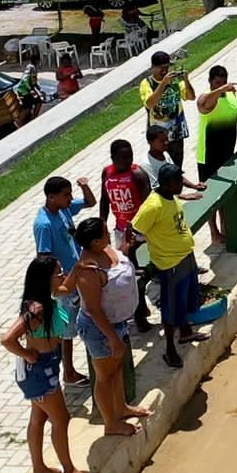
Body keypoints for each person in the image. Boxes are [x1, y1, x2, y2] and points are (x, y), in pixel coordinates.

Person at [1, 255, 98, 473]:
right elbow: (7, 339)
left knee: (39, 417)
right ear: (47, 278)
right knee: (61, 419)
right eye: (59, 272)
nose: (62, 275)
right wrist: (27, 353)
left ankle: (40, 471)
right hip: (40, 372)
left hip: (45, 368)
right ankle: (69, 472)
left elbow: (66, 287)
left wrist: (76, 268)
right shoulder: (37, 308)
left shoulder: (50, 295)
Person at [65, 216, 149, 437]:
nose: (109, 233)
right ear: (94, 242)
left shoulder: (107, 250)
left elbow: (117, 268)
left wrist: (126, 248)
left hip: (118, 323)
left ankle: (121, 407)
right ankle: (111, 423)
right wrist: (112, 338)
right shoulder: (88, 270)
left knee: (117, 369)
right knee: (105, 377)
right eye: (104, 232)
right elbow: (93, 308)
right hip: (100, 330)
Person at [132, 162, 209, 368]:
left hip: (185, 256)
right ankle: (170, 349)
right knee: (171, 308)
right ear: (167, 183)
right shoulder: (153, 205)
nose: (181, 184)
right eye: (178, 181)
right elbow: (135, 230)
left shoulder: (170, 197)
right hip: (169, 262)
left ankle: (185, 332)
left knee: (185, 300)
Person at [33, 175, 96, 388]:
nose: (70, 198)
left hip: (78, 274)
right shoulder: (43, 224)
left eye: (70, 193)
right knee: (67, 331)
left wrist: (85, 186)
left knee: (88, 316)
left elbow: (90, 202)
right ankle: (68, 372)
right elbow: (44, 258)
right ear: (51, 197)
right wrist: (58, 285)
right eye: (66, 195)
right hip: (66, 283)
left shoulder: (63, 209)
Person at [195, 65, 237, 245]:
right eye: (217, 83)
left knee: (225, 195)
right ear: (210, 82)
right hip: (208, 155)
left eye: (223, 83)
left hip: (227, 153)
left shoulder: (230, 95)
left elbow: (236, 112)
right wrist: (221, 89)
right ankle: (214, 233)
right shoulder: (206, 99)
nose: (221, 86)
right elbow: (202, 104)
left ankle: (226, 228)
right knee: (210, 197)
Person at [98, 139, 153, 332]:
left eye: (130, 156)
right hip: (121, 231)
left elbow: (149, 205)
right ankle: (139, 312)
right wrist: (102, 224)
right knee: (131, 273)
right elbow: (104, 200)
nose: (128, 160)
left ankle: (141, 312)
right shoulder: (107, 173)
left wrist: (140, 228)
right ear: (113, 158)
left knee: (144, 271)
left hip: (142, 231)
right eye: (123, 158)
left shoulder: (137, 174)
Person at [140, 50, 195, 169]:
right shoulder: (147, 83)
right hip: (158, 138)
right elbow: (149, 103)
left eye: (167, 67)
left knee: (176, 168)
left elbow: (191, 97)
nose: (165, 71)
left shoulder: (175, 81)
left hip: (176, 133)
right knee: (162, 169)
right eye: (162, 68)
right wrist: (163, 84)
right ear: (153, 68)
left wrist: (186, 80)